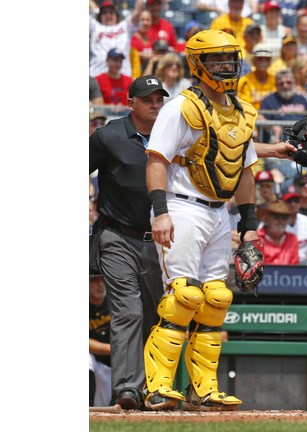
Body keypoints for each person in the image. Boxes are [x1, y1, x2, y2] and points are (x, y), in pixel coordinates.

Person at [142, 29, 296, 411]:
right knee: (183, 296)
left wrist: (249, 228)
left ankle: (204, 390)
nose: (226, 66)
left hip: (220, 211)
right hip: (182, 206)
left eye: (229, 59)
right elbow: (157, 160)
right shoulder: (180, 106)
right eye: (217, 60)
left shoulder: (242, 110)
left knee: (215, 300)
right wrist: (160, 212)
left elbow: (245, 172)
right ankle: (158, 387)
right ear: (199, 65)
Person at [89, 76, 168, 410]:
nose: (154, 104)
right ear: (130, 103)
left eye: (158, 99)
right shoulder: (107, 136)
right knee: (128, 312)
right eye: (147, 99)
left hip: (159, 242)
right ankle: (127, 390)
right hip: (117, 235)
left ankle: (155, 389)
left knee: (157, 316)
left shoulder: (172, 135)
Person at [89, 0, 143, 78]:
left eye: (111, 11)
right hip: (97, 76)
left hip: (122, 77)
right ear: (100, 15)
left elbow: (137, 13)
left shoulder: (125, 26)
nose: (108, 15)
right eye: (104, 12)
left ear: (116, 14)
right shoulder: (94, 26)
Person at [260, 69, 307, 143]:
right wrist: (272, 126)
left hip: (301, 136)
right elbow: (260, 117)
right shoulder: (269, 100)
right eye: (281, 83)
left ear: (294, 83)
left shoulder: (301, 99)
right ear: (276, 85)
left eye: (288, 82)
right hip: (278, 137)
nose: (285, 86)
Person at [89, 275, 112, 407]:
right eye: (94, 280)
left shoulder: (114, 303)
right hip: (95, 365)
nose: (100, 284)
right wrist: (113, 349)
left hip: (114, 368)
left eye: (102, 279)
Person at [255, 200, 302, 264]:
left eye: (285, 217)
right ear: (266, 219)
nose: (281, 220)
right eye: (276, 216)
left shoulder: (292, 238)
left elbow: (294, 267)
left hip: (286, 273)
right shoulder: (255, 238)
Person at [237, 44, 277, 111]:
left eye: (267, 59)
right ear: (254, 61)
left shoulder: (276, 80)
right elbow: (245, 104)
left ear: (270, 62)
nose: (264, 61)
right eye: (260, 59)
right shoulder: (245, 81)